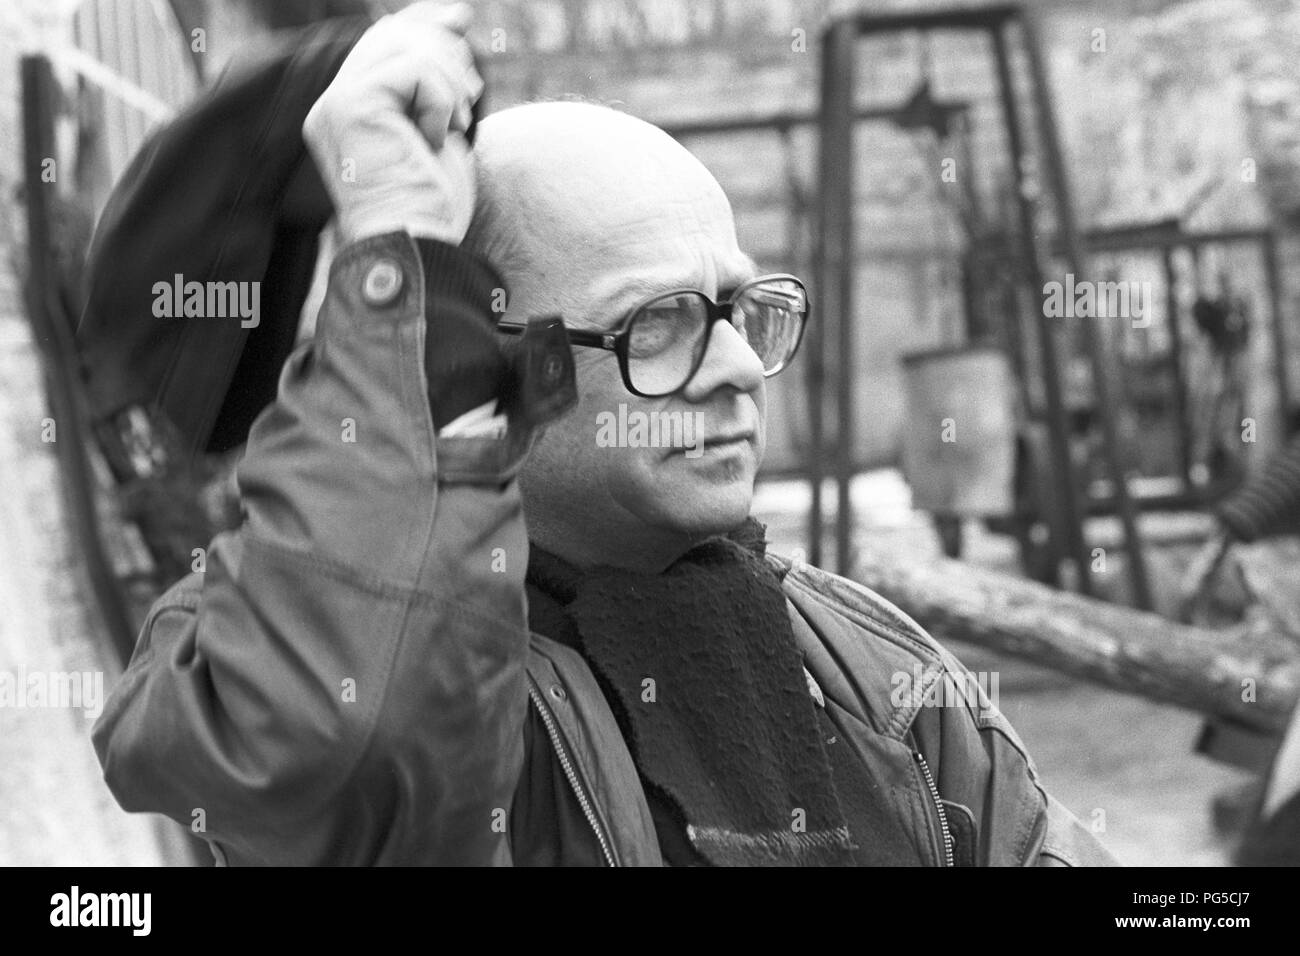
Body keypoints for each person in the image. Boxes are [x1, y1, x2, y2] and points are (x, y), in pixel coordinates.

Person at [92, 1, 1115, 866]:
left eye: (740, 308)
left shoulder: (862, 665)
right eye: (656, 322)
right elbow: (341, 736)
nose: (735, 366)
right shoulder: (301, 654)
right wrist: (398, 250)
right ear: (492, 356)